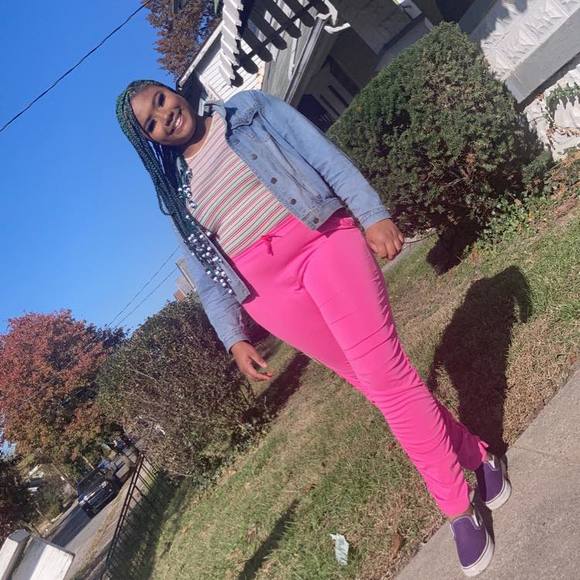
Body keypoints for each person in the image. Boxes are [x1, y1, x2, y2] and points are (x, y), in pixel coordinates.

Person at [116, 80, 511, 577]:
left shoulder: (246, 111)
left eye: (160, 100)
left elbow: (322, 155)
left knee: (387, 378)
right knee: (376, 385)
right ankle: (478, 456)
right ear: (149, 142)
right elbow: (206, 274)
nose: (164, 116)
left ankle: (455, 505)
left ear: (174, 91)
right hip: (267, 296)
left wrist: (371, 213)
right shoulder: (176, 195)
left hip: (323, 242)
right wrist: (233, 337)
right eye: (150, 123)